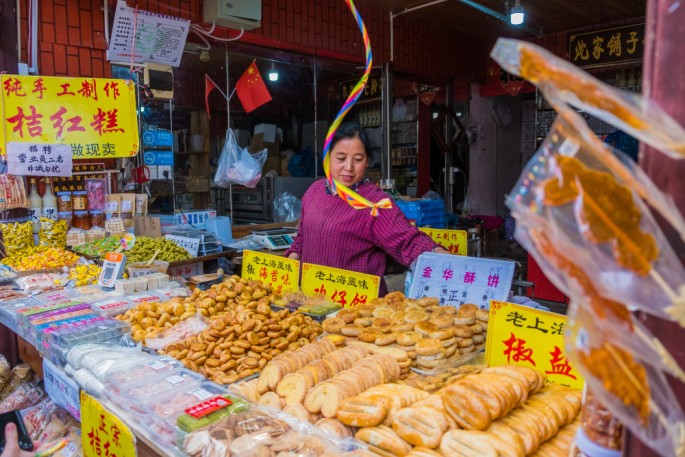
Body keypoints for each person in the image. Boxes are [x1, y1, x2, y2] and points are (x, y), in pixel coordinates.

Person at [285, 122, 448, 296]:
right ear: (327, 157)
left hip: (358, 305)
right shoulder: (314, 191)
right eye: (341, 158)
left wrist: (443, 258)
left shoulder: (375, 203)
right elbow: (302, 237)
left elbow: (408, 241)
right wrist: (292, 266)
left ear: (367, 161)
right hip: (315, 300)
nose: (349, 167)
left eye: (358, 159)